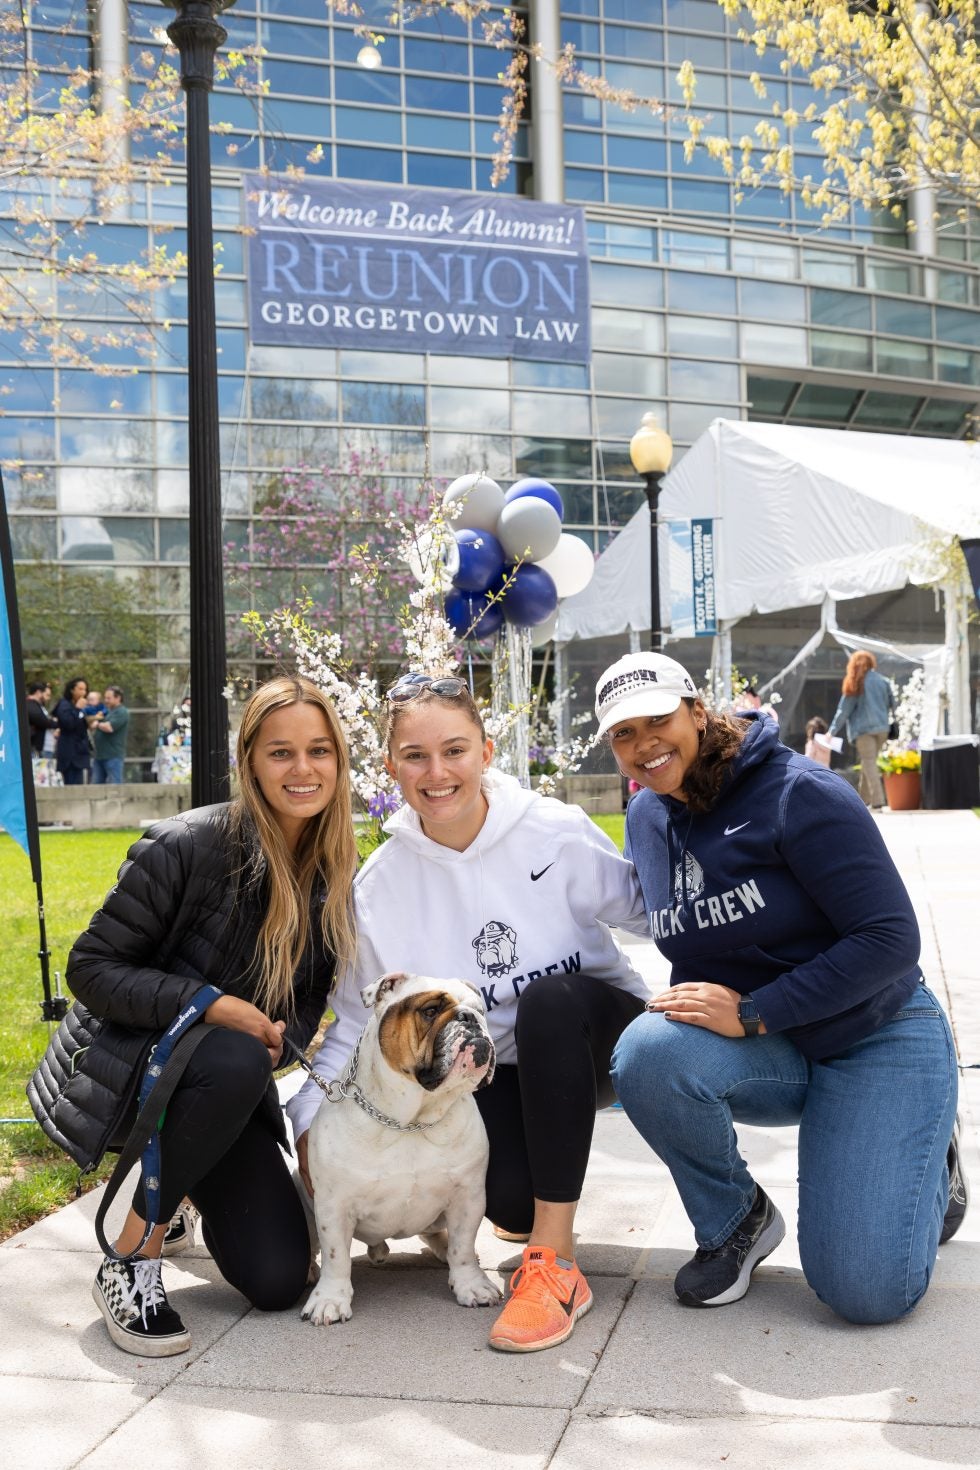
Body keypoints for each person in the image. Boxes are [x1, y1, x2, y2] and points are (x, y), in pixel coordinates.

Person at [594, 650, 964, 1326]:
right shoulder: (648, 817)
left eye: (658, 721)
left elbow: (889, 939)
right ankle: (736, 1222)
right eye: (623, 733)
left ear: (697, 713)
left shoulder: (799, 792)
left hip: (873, 1030)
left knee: (864, 1293)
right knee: (648, 1053)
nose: (643, 744)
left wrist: (760, 1010)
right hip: (772, 1045)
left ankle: (927, 1139)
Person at [286, 671, 651, 1355]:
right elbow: (352, 1031)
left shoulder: (554, 830)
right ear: (391, 768)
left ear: (486, 753)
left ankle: (556, 1265)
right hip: (490, 1073)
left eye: (454, 750)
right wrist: (309, 1128)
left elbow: (658, 915)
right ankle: (531, 1216)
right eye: (416, 756)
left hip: (596, 1035)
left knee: (546, 1004)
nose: (437, 771)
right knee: (507, 1199)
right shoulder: (380, 889)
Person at [62, 676, 357, 1358]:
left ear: (339, 760)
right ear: (250, 758)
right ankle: (128, 1258)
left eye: (319, 750)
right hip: (141, 1068)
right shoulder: (186, 846)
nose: (303, 769)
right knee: (230, 1053)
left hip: (227, 1087)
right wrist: (209, 1005)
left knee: (281, 1281)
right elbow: (91, 968)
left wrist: (282, 1036)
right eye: (281, 752)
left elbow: (310, 995)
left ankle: (181, 1182)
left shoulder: (334, 869)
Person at [828, 650, 895, 808]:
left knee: (869, 762)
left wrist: (831, 731)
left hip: (864, 731)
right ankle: (863, 800)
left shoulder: (856, 682)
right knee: (867, 762)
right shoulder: (883, 681)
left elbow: (843, 710)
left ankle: (878, 801)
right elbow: (892, 704)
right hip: (882, 729)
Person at [53, 676, 93, 785]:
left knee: (80, 782)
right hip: (69, 754)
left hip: (79, 752)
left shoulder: (82, 707)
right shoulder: (64, 705)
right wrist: (77, 709)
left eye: (85, 689)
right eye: (80, 689)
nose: (83, 692)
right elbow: (68, 723)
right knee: (71, 783)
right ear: (72, 690)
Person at [91, 685, 130, 785]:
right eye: (105, 698)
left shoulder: (122, 712)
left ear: (118, 698)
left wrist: (98, 724)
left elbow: (109, 727)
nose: (106, 700)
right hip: (99, 755)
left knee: (114, 785)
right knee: (96, 785)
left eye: (109, 698)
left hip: (113, 756)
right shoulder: (107, 712)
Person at [26, 681, 57, 756]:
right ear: (38, 692)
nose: (47, 698)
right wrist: (56, 723)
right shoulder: (30, 705)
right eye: (45, 693)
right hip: (34, 745)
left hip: (41, 746)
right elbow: (42, 720)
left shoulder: (38, 706)